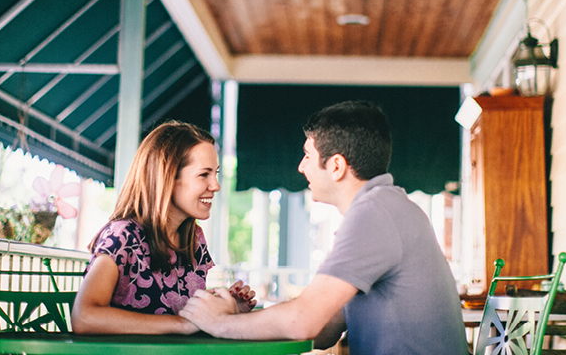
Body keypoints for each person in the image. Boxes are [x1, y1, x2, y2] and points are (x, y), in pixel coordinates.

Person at [181, 101, 468, 354]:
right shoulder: (385, 208)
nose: (300, 167)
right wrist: (240, 318)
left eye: (307, 155)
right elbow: (325, 327)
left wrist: (219, 323)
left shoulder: (375, 214)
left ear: (336, 166)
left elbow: (303, 321)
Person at [71, 121, 255, 334]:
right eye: (204, 174)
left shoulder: (193, 239)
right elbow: (84, 317)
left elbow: (183, 313)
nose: (216, 185)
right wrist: (182, 325)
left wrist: (227, 310)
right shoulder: (121, 236)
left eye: (215, 173)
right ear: (167, 177)